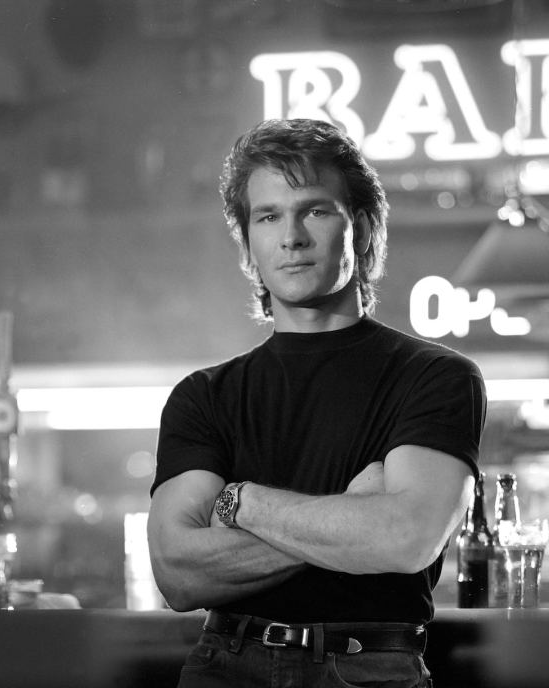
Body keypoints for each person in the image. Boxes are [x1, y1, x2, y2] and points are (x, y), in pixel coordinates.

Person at [148, 118, 486, 688]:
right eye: (268, 215)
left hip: (371, 669)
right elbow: (179, 573)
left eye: (316, 210)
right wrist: (352, 518)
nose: (292, 237)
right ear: (249, 241)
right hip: (226, 665)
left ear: (363, 226)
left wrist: (243, 502)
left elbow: (406, 537)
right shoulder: (203, 396)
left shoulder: (436, 377)